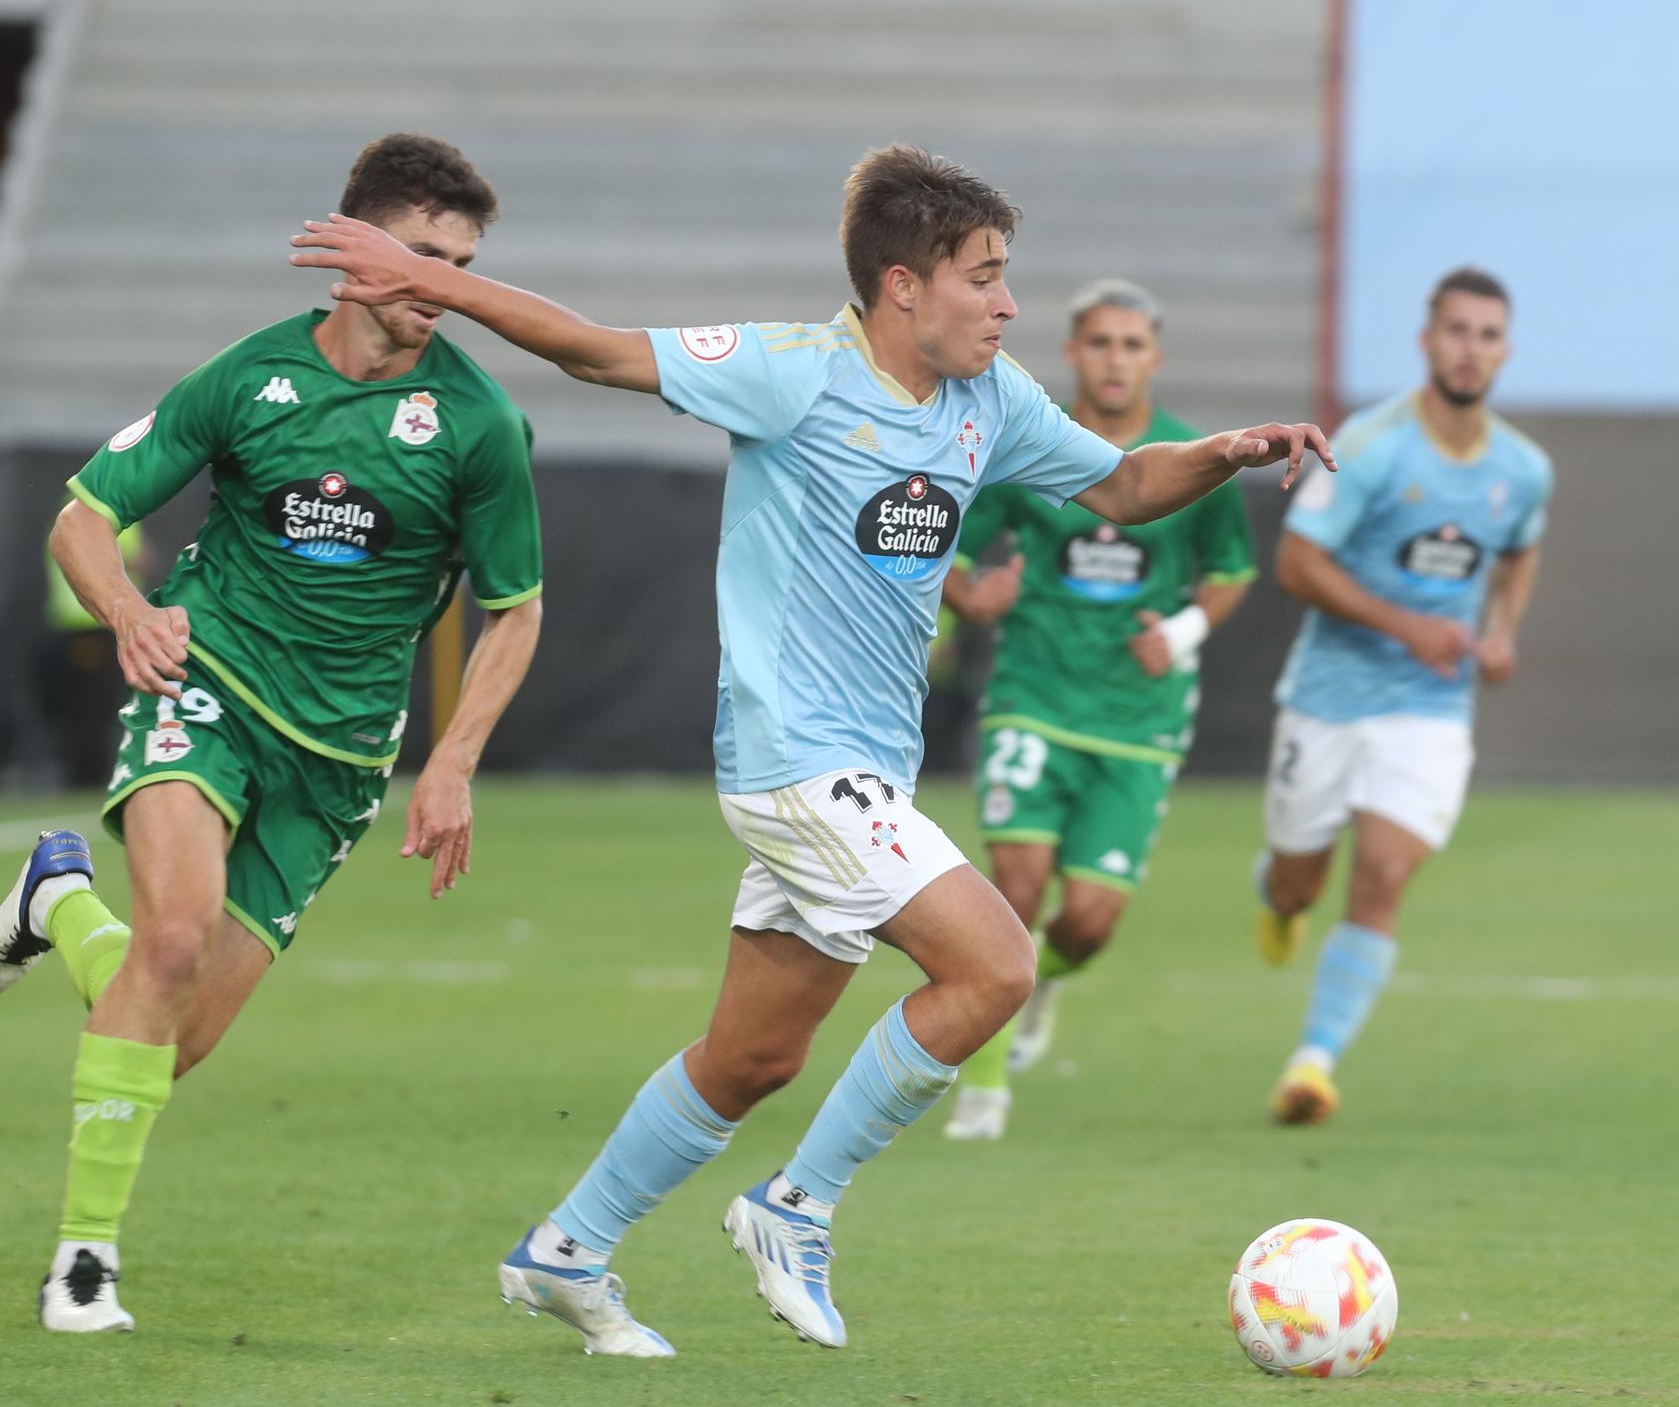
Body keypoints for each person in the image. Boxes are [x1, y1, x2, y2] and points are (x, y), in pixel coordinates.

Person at [291, 142, 1333, 1356]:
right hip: (791, 759)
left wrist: (1225, 453)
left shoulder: (986, 401)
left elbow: (1122, 484)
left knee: (752, 1055)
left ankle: (565, 1248)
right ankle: (796, 1206)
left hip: (863, 773)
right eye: (985, 276)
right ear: (903, 285)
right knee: (995, 965)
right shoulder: (790, 372)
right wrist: (429, 281)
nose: (1007, 304)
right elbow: (593, 346)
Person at [0, 133, 545, 1332]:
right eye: (418, 256)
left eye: (459, 263)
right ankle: (83, 1262)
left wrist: (453, 760)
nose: (439, 284)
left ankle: (56, 900)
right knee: (170, 941)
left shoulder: (479, 422)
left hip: (338, 759)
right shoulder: (246, 378)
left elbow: (515, 608)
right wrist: (128, 609)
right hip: (209, 682)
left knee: (168, 1038)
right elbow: (83, 514)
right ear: (349, 256)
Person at [937, 278, 1256, 1141]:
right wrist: (975, 596)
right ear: (1073, 352)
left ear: (1155, 357)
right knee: (1020, 885)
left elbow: (1230, 568)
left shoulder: (1191, 458)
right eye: (1099, 342)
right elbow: (950, 545)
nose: (1115, 359)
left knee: (1089, 920)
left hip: (1138, 716)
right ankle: (987, 1083)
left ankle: (1046, 981)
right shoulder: (1031, 444)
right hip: (1033, 696)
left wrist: (1186, 629)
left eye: (1131, 344)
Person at [1255, 267, 1551, 1126]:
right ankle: (1277, 896)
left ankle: (1312, 1063)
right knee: (1298, 884)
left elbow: (1521, 548)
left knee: (1383, 875)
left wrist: (1500, 630)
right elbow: (1297, 563)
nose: (1471, 348)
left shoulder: (1524, 469)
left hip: (1429, 706)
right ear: (1428, 341)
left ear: (1505, 348)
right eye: (1456, 330)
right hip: (1328, 695)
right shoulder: (1374, 443)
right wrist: (1405, 623)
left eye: (1487, 334)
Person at [39, 514, 154, 788]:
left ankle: (88, 771)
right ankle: (88, 774)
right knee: (93, 704)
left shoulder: (72, 507)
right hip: (91, 623)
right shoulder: (101, 510)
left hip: (84, 623)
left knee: (87, 702)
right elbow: (132, 559)